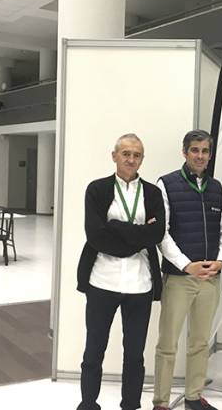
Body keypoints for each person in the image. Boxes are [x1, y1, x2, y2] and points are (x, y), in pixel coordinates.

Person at [76, 134, 166, 410]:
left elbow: (157, 233)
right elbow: (95, 235)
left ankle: (130, 404)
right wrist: (138, 236)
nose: (131, 159)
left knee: (135, 354)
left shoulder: (152, 193)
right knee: (94, 351)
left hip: (140, 285)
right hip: (102, 282)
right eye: (126, 153)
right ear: (114, 156)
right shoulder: (97, 190)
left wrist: (116, 226)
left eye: (137, 155)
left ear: (142, 159)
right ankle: (89, 403)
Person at [152, 130, 222, 410]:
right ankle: (161, 402)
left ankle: (193, 396)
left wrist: (221, 261)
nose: (200, 156)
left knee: (200, 342)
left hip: (210, 278)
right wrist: (187, 265)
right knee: (168, 343)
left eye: (205, 151)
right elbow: (161, 234)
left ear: (210, 155)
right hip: (179, 278)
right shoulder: (166, 184)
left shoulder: (217, 188)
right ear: (184, 152)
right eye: (195, 150)